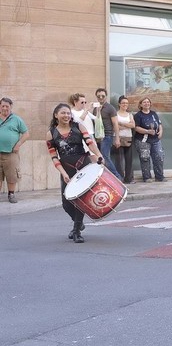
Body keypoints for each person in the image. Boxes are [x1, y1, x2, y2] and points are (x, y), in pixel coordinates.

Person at [45, 103, 104, 242]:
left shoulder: (78, 127)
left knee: (81, 200)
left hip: (83, 166)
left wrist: (99, 155)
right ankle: (79, 223)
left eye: (68, 113)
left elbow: (90, 143)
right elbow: (53, 156)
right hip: (66, 169)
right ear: (56, 115)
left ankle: (77, 230)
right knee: (66, 203)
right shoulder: (51, 133)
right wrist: (63, 173)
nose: (66, 115)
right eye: (63, 113)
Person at [0, 97, 29, 204]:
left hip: (11, 153)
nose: (4, 108)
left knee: (12, 175)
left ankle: (11, 194)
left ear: (11, 107)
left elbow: (26, 134)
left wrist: (18, 144)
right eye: (2, 106)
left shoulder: (17, 119)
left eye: (7, 106)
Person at [133, 97, 166, 182]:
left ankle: (159, 177)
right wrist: (147, 131)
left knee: (159, 157)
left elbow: (159, 124)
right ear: (140, 104)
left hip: (155, 140)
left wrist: (161, 131)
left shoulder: (154, 113)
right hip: (143, 141)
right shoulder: (138, 115)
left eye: (148, 102)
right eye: (144, 102)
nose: (146, 103)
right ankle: (147, 177)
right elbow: (136, 128)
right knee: (145, 158)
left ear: (150, 104)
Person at [93, 88, 122, 181]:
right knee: (100, 158)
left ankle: (117, 177)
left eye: (103, 96)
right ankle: (105, 178)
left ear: (106, 96)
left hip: (107, 136)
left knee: (105, 156)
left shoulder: (110, 108)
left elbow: (115, 124)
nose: (101, 97)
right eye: (99, 96)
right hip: (97, 137)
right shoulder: (95, 108)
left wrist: (117, 138)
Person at [115, 96, 136, 184]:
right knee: (119, 160)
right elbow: (115, 126)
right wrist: (127, 124)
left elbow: (133, 126)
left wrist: (121, 123)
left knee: (129, 159)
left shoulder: (130, 114)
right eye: (123, 103)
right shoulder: (115, 114)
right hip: (118, 138)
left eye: (126, 103)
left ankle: (129, 178)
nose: (125, 105)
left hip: (128, 138)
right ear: (119, 104)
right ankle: (120, 178)